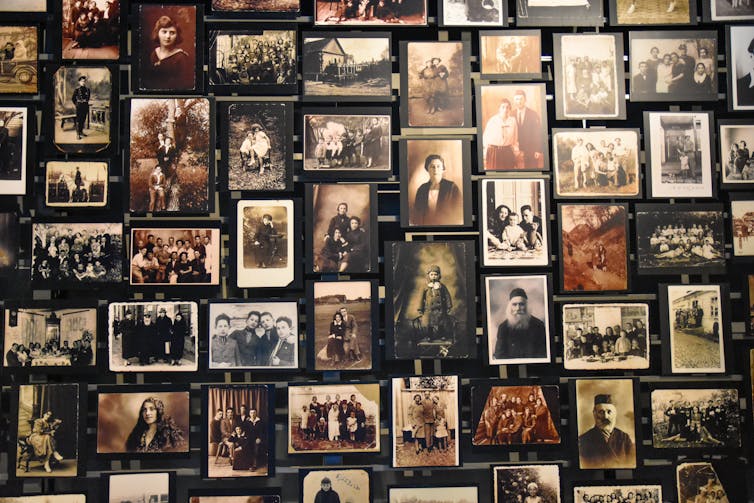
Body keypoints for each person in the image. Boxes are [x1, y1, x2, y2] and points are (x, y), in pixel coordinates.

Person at [578, 394, 635, 469]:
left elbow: (632, 464)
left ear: (615, 414)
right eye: (601, 412)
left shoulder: (625, 438)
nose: (605, 416)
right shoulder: (583, 440)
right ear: (594, 414)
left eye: (609, 412)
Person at [493, 287, 548, 360]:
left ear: (526, 306)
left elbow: (543, 354)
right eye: (514, 304)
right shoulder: (503, 327)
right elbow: (500, 355)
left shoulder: (539, 325)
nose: (518, 308)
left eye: (521, 304)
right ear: (510, 307)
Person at [142, 15, 193, 90]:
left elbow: (183, 86)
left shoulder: (181, 57)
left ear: (177, 36)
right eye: (164, 32)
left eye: (172, 33)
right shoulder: (154, 53)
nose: (168, 36)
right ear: (158, 33)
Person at [412, 154, 462, 226]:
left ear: (443, 169)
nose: (435, 169)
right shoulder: (422, 189)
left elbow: (459, 210)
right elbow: (417, 213)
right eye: (432, 167)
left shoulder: (451, 187)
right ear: (427, 169)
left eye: (438, 166)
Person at [418, 264, 452, 341]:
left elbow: (447, 296)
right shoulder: (425, 286)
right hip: (429, 309)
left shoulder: (441, 286)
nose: (433, 276)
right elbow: (421, 298)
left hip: (440, 309)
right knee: (429, 324)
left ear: (438, 275)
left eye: (435, 274)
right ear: (428, 275)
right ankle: (430, 336)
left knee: (441, 323)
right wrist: (420, 308)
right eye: (431, 274)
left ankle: (442, 335)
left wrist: (449, 306)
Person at [483, 98, 518, 170]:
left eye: (507, 107)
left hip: (508, 152)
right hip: (494, 152)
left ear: (510, 109)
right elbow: (485, 139)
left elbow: (515, 138)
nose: (505, 109)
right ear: (499, 109)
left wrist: (515, 151)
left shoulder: (513, 121)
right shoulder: (493, 120)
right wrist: (485, 155)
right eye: (503, 107)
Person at [512, 89, 542, 168]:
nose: (519, 101)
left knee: (531, 171)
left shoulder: (533, 114)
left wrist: (538, 150)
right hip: (515, 150)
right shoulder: (511, 115)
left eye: (521, 99)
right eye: (517, 99)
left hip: (531, 150)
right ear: (514, 101)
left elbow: (538, 133)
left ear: (525, 100)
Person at [72, 75, 90, 141]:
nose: (83, 82)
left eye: (84, 81)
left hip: (85, 106)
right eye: (82, 81)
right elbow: (73, 98)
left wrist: (85, 101)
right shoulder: (77, 89)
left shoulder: (88, 90)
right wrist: (76, 104)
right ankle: (78, 134)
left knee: (83, 120)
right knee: (78, 121)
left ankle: (81, 132)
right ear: (79, 82)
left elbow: (88, 98)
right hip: (79, 107)